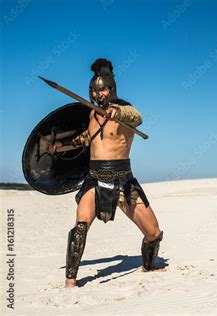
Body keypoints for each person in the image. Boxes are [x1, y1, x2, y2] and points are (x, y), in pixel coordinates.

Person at [49, 58, 163, 288]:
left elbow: (137, 116)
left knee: (153, 233)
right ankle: (70, 281)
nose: (97, 94)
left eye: (102, 89)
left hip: (123, 180)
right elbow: (86, 139)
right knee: (81, 224)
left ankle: (149, 267)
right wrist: (62, 146)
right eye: (93, 90)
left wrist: (117, 111)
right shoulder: (92, 115)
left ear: (111, 89)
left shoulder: (124, 110)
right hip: (94, 178)